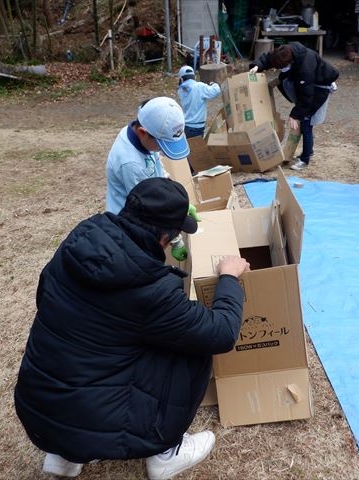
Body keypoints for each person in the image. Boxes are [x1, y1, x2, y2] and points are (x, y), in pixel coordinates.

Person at [14, 177, 249, 479]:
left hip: (37, 411)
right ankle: (166, 453)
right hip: (83, 419)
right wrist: (229, 278)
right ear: (165, 238)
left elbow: (43, 297)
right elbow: (221, 333)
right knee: (193, 348)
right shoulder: (150, 287)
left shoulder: (82, 237)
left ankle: (64, 455)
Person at [249, 42, 339, 171]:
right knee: (303, 119)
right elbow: (270, 57)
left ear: (290, 63)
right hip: (309, 85)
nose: (279, 70)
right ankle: (309, 151)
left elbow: (306, 96)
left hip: (319, 88)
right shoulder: (287, 51)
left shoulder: (305, 68)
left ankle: (305, 159)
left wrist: (295, 115)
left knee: (306, 122)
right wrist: (257, 65)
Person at [106, 96, 190, 214]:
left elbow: (157, 168)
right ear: (142, 132)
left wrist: (173, 196)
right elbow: (146, 205)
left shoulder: (142, 136)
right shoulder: (131, 164)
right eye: (161, 145)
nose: (162, 152)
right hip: (129, 219)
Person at [177, 65, 222, 139]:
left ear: (181, 79)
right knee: (196, 148)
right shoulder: (199, 87)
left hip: (185, 125)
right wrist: (213, 84)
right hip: (197, 127)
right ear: (194, 77)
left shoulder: (180, 90)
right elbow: (216, 91)